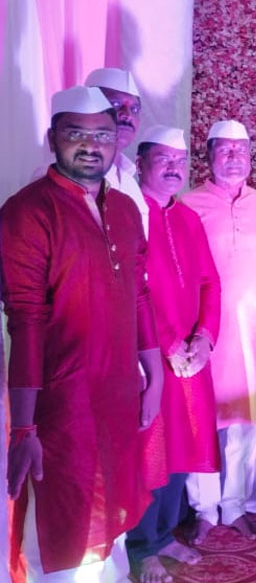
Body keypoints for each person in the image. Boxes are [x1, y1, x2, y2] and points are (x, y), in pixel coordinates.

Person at [1, 86, 163, 582]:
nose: (91, 146)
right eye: (77, 134)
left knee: (112, 511)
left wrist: (154, 375)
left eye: (103, 136)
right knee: (64, 522)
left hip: (118, 390)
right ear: (53, 138)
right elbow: (25, 319)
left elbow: (138, 295)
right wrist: (23, 428)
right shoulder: (28, 212)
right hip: (61, 400)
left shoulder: (125, 209)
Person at [127, 125, 222, 583]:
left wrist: (204, 338)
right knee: (150, 448)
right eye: (162, 159)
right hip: (147, 356)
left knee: (185, 445)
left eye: (180, 161)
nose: (173, 168)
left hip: (191, 357)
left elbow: (210, 283)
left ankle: (165, 535)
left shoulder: (187, 218)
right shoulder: (128, 213)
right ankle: (141, 545)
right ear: (140, 163)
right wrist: (166, 344)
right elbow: (132, 290)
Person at [181, 120, 256, 543]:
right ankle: (204, 509)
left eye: (242, 150)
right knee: (201, 419)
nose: (234, 157)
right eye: (225, 149)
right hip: (204, 333)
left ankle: (235, 505)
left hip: (253, 331)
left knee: (244, 423)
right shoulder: (187, 204)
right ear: (208, 156)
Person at [85, 67, 151, 235]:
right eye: (115, 105)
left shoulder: (129, 182)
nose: (127, 115)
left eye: (134, 109)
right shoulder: (62, 175)